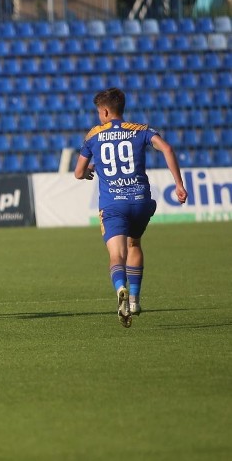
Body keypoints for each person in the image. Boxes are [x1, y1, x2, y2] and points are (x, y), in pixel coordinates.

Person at [74, 87, 187, 328]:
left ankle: (120, 288)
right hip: (140, 202)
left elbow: (78, 172)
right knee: (134, 243)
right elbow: (167, 148)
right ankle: (134, 300)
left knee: (117, 255)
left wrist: (90, 171)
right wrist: (178, 184)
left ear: (104, 111)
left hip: (113, 204)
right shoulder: (141, 130)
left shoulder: (94, 135)